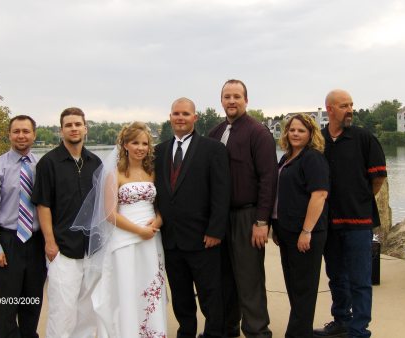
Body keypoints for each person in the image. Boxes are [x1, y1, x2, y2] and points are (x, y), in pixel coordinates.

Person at [72, 121, 167, 337]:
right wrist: (138, 230)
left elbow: (162, 206)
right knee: (127, 286)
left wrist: (157, 222)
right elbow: (110, 214)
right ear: (125, 144)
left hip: (152, 238)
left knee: (150, 285)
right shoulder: (114, 175)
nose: (140, 148)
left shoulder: (152, 172)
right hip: (125, 238)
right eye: (135, 143)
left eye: (144, 143)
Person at [154, 97, 231, 338]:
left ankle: (213, 334)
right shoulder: (159, 151)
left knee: (210, 294)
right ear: (170, 117)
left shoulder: (213, 149)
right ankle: (186, 332)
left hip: (204, 238)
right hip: (171, 239)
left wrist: (215, 231)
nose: (180, 117)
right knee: (181, 295)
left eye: (185, 114)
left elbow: (222, 193)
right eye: (176, 113)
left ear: (194, 118)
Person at [313, 90, 387, 338]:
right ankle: (342, 321)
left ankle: (359, 330)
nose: (350, 109)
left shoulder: (364, 138)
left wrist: (360, 200)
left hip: (358, 222)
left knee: (360, 280)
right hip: (329, 223)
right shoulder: (319, 140)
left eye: (351, 105)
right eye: (344, 105)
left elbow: (378, 178)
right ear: (330, 109)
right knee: (336, 276)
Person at [209, 79, 278, 338]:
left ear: (246, 100)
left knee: (249, 279)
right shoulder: (215, 134)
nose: (232, 101)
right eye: (227, 96)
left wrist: (262, 222)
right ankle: (228, 329)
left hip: (247, 216)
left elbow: (268, 178)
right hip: (220, 217)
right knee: (224, 278)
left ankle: (258, 331)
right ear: (221, 100)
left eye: (237, 96)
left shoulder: (258, 133)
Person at [31, 107, 102, 338]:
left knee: (88, 310)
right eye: (69, 125)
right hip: (62, 248)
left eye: (78, 124)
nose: (74, 128)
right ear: (61, 130)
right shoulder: (48, 163)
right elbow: (43, 205)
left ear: (85, 128)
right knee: (63, 311)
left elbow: (103, 205)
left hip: (92, 249)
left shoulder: (95, 162)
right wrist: (50, 243)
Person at [0, 115, 46, 338]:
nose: (21, 135)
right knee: (6, 303)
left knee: (32, 301)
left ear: (34, 135)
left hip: (36, 242)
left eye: (26, 131)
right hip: (7, 242)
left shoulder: (40, 167)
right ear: (9, 135)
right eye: (16, 131)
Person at [271, 113, 329, 338]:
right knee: (294, 287)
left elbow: (319, 195)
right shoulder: (286, 158)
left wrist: (307, 231)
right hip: (286, 231)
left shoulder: (313, 158)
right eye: (292, 130)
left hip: (305, 233)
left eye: (301, 130)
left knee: (303, 288)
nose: (295, 134)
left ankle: (296, 334)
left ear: (311, 134)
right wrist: (276, 227)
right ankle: (301, 331)